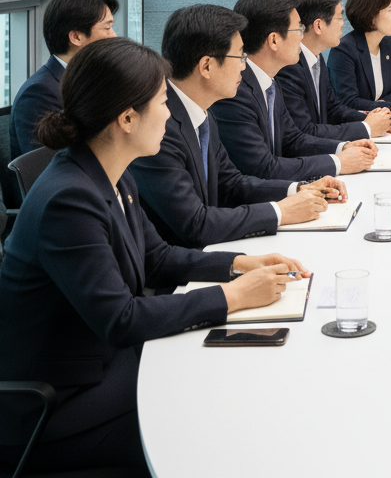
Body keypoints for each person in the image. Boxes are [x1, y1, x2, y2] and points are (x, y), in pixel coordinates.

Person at [0, 38, 307, 476]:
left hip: (103, 367)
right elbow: (122, 319)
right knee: (214, 426)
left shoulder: (109, 170)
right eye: (162, 102)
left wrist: (239, 264)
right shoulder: (69, 199)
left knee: (228, 387)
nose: (169, 113)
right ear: (126, 118)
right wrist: (233, 297)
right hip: (57, 405)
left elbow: (157, 257)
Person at [131, 4, 347, 248]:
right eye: (240, 57)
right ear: (206, 66)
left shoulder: (201, 111)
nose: (244, 67)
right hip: (180, 275)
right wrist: (280, 212)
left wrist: (299, 189)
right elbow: (195, 224)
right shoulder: (158, 127)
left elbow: (231, 184)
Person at [210, 0, 377, 181]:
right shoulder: (235, 92)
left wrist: (344, 147)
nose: (302, 35)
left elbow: (293, 139)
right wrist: (338, 162)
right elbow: (263, 168)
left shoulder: (269, 81)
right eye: (298, 28)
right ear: (273, 40)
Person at [278, 0, 391, 142]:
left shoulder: (316, 57)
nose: (343, 24)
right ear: (318, 26)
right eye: (339, 17)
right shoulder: (288, 66)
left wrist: (369, 119)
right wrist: (367, 128)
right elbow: (303, 130)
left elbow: (333, 109)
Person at [9, 0, 118, 156]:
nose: (114, 36)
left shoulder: (96, 80)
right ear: (76, 37)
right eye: (107, 28)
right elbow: (51, 169)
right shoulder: (38, 94)